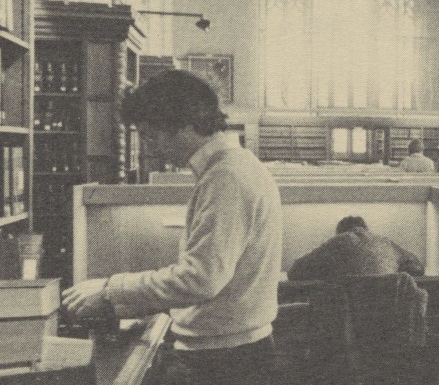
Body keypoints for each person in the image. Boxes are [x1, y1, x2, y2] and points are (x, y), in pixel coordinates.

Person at [60, 70, 283, 385]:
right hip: (233, 352)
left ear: (185, 126)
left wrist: (111, 290)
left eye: (151, 134)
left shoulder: (226, 178)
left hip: (224, 362)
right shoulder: (234, 167)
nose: (150, 147)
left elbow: (200, 279)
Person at [287, 216, 425, 281]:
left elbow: (294, 272)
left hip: (345, 321)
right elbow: (418, 268)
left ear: (340, 232)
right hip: (387, 319)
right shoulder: (385, 243)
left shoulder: (338, 242)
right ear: (366, 230)